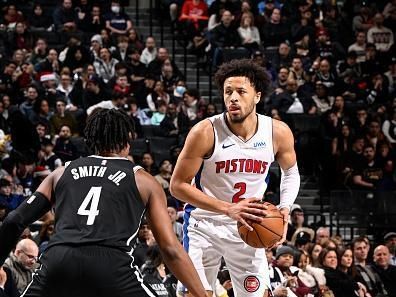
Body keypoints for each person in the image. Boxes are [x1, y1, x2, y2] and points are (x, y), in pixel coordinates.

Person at [0, 109, 207, 297]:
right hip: (110, 264)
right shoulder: (143, 180)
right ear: (127, 141)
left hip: (58, 260)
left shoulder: (61, 173)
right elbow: (169, 248)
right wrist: (202, 294)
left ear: (90, 140)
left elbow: (13, 221)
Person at [170, 59, 300, 297]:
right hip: (203, 224)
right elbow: (177, 186)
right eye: (228, 91)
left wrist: (285, 209)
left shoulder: (277, 132)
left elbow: (290, 172)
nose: (233, 98)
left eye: (241, 91)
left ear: (257, 96)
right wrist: (228, 208)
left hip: (249, 225)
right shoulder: (204, 131)